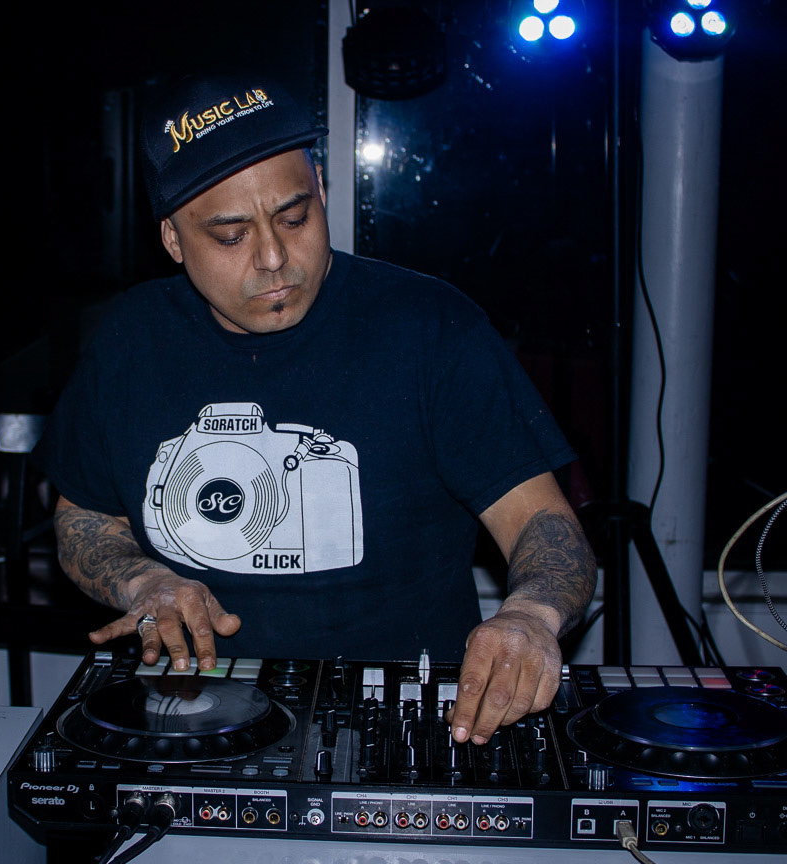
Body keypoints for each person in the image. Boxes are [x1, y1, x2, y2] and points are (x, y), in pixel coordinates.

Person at [33, 73, 596, 746]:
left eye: (294, 218)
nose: (274, 257)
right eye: (230, 236)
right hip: (191, 717)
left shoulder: (431, 330)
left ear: (322, 190)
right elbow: (83, 516)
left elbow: (543, 522)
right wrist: (140, 579)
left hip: (408, 723)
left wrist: (531, 616)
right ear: (174, 240)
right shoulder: (128, 343)